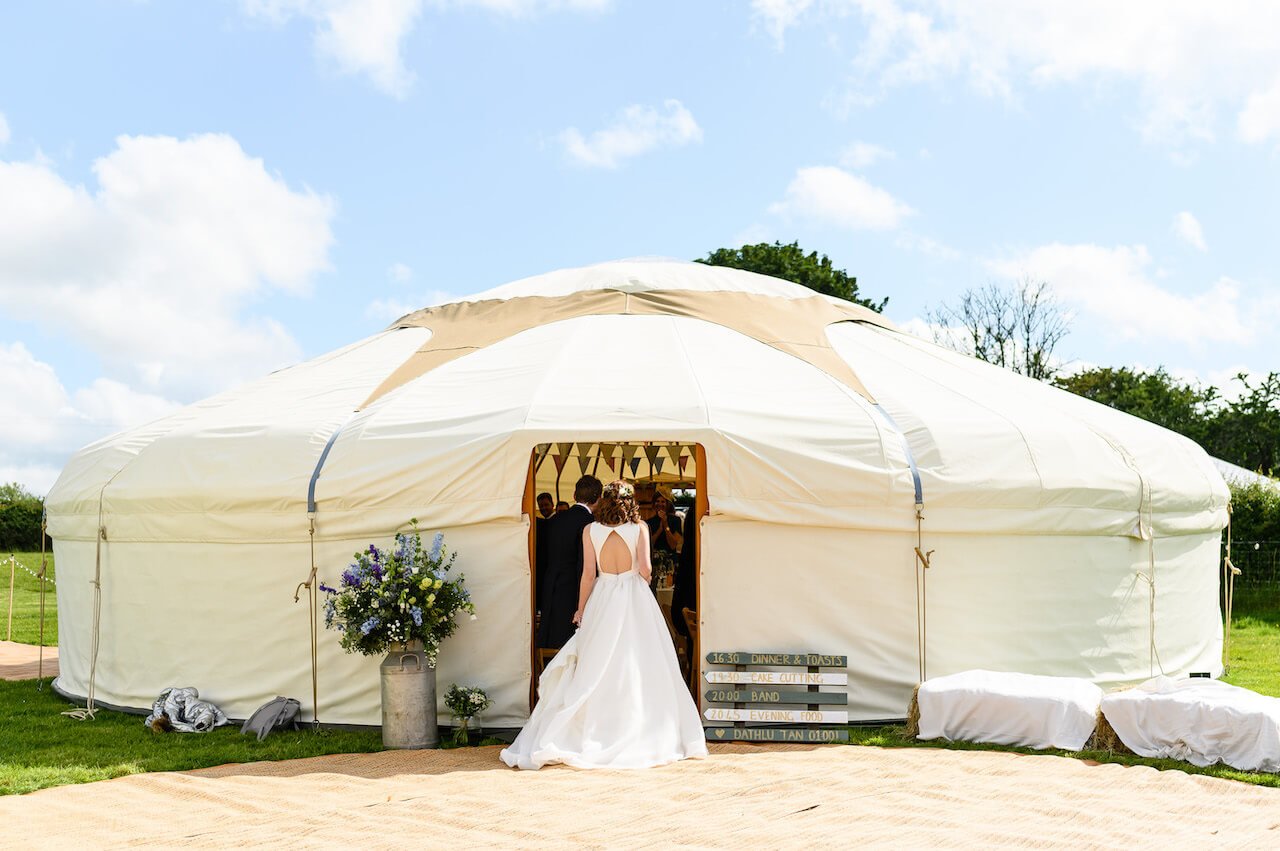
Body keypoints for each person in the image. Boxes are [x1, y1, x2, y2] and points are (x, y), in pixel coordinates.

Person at [501, 480, 708, 770]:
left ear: (605, 500)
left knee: (596, 661)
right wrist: (638, 579)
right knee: (640, 660)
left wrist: (580, 610)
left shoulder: (590, 530)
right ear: (629, 502)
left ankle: (594, 726)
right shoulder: (639, 529)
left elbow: (588, 575)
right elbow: (647, 570)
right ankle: (638, 724)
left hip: (602, 596)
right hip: (633, 596)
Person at [536, 476, 602, 651]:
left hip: (550, 586)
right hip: (574, 589)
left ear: (574, 494)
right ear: (598, 499)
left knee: (551, 640)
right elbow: (586, 565)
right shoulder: (591, 525)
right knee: (571, 645)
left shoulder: (555, 520)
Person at [647, 487, 683, 558]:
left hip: (670, 561)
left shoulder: (676, 520)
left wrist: (665, 524)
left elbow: (673, 545)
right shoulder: (649, 522)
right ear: (654, 504)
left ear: (667, 504)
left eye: (663, 502)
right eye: (657, 501)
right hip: (655, 561)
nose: (660, 504)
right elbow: (649, 545)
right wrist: (659, 531)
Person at [534, 492, 554, 617]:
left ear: (552, 504)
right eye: (541, 506)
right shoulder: (540, 523)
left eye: (546, 505)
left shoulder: (557, 521)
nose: (544, 508)